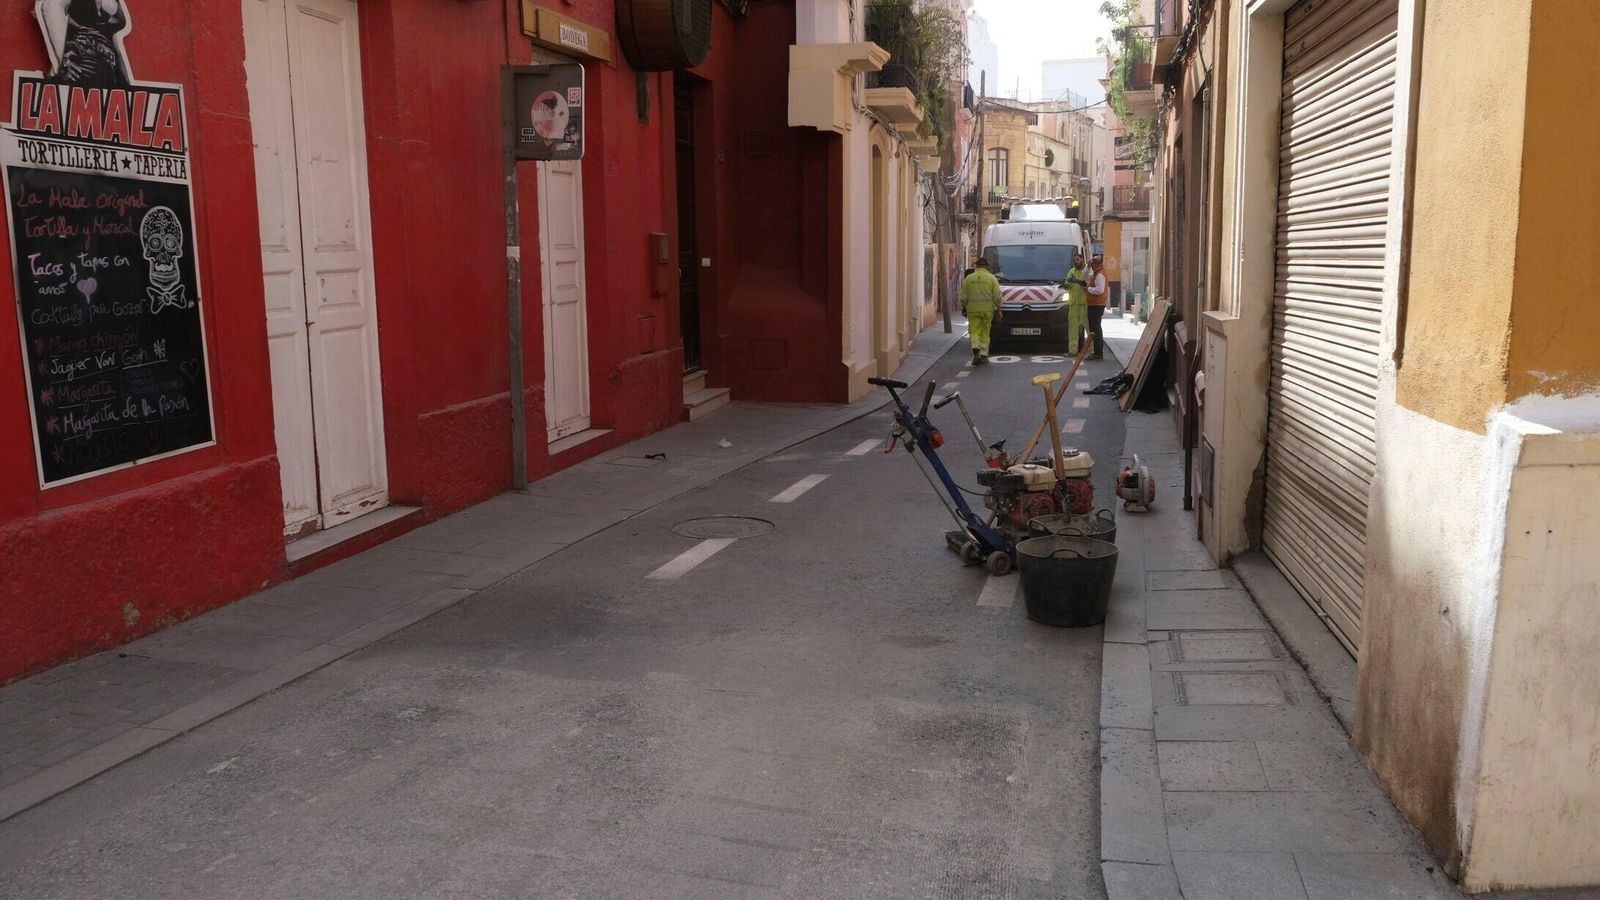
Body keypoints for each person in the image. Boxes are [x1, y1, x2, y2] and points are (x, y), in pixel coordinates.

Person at [37, 0, 131, 87]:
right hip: (81, 62)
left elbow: (118, 34)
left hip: (107, 68)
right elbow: (52, 5)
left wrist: (126, 84)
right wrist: (61, 60)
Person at [960, 257, 1002, 365]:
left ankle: (976, 352)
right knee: (985, 332)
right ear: (987, 266)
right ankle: (984, 355)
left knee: (974, 331)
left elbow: (963, 297)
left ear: (976, 265)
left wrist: (964, 307)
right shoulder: (992, 278)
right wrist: (999, 309)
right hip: (987, 310)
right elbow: (997, 296)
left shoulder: (969, 278)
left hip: (972, 310)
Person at [1063, 252, 1090, 355]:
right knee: (1072, 329)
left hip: (1085, 304)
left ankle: (1091, 351)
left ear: (1082, 259)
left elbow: (1087, 282)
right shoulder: (1072, 271)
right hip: (1074, 304)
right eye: (1074, 260)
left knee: (1089, 329)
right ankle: (1072, 351)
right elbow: (1068, 284)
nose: (1075, 262)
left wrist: (1075, 281)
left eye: (1077, 260)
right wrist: (1066, 285)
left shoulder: (1087, 270)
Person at [1086, 254, 1109, 360]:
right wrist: (1087, 268)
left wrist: (1088, 289)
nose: (1092, 264)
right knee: (1094, 328)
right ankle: (1097, 352)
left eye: (1093, 262)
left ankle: (1098, 352)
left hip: (1097, 305)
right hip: (1094, 304)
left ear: (1097, 264)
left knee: (1095, 329)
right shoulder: (1096, 273)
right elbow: (1085, 277)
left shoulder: (1100, 274)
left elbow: (1100, 290)